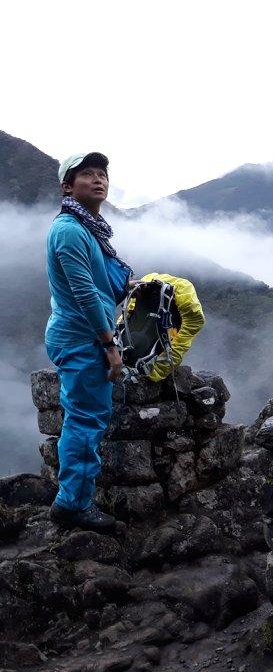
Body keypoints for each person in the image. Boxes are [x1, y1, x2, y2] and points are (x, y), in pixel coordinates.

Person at [46, 153, 133, 532]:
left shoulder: (89, 229)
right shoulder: (69, 230)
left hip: (85, 334)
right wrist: (109, 344)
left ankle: (75, 498)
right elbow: (83, 292)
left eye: (102, 174)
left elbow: (99, 283)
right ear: (68, 186)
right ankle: (72, 505)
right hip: (83, 337)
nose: (98, 180)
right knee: (85, 419)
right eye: (87, 174)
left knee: (87, 416)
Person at [133, 273, 205, 382]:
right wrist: (155, 371)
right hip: (154, 352)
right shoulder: (185, 294)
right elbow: (188, 332)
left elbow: (128, 315)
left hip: (129, 349)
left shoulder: (147, 281)